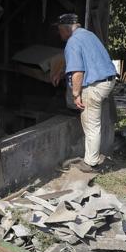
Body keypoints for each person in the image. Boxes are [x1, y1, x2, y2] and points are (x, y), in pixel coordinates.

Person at [52, 13, 118, 172]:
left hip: (95, 85)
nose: (59, 34)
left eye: (59, 31)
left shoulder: (72, 42)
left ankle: (90, 163)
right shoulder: (88, 35)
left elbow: (77, 72)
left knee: (91, 124)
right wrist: (61, 72)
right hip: (107, 80)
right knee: (92, 121)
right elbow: (79, 59)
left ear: (66, 29)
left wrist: (76, 95)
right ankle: (92, 157)